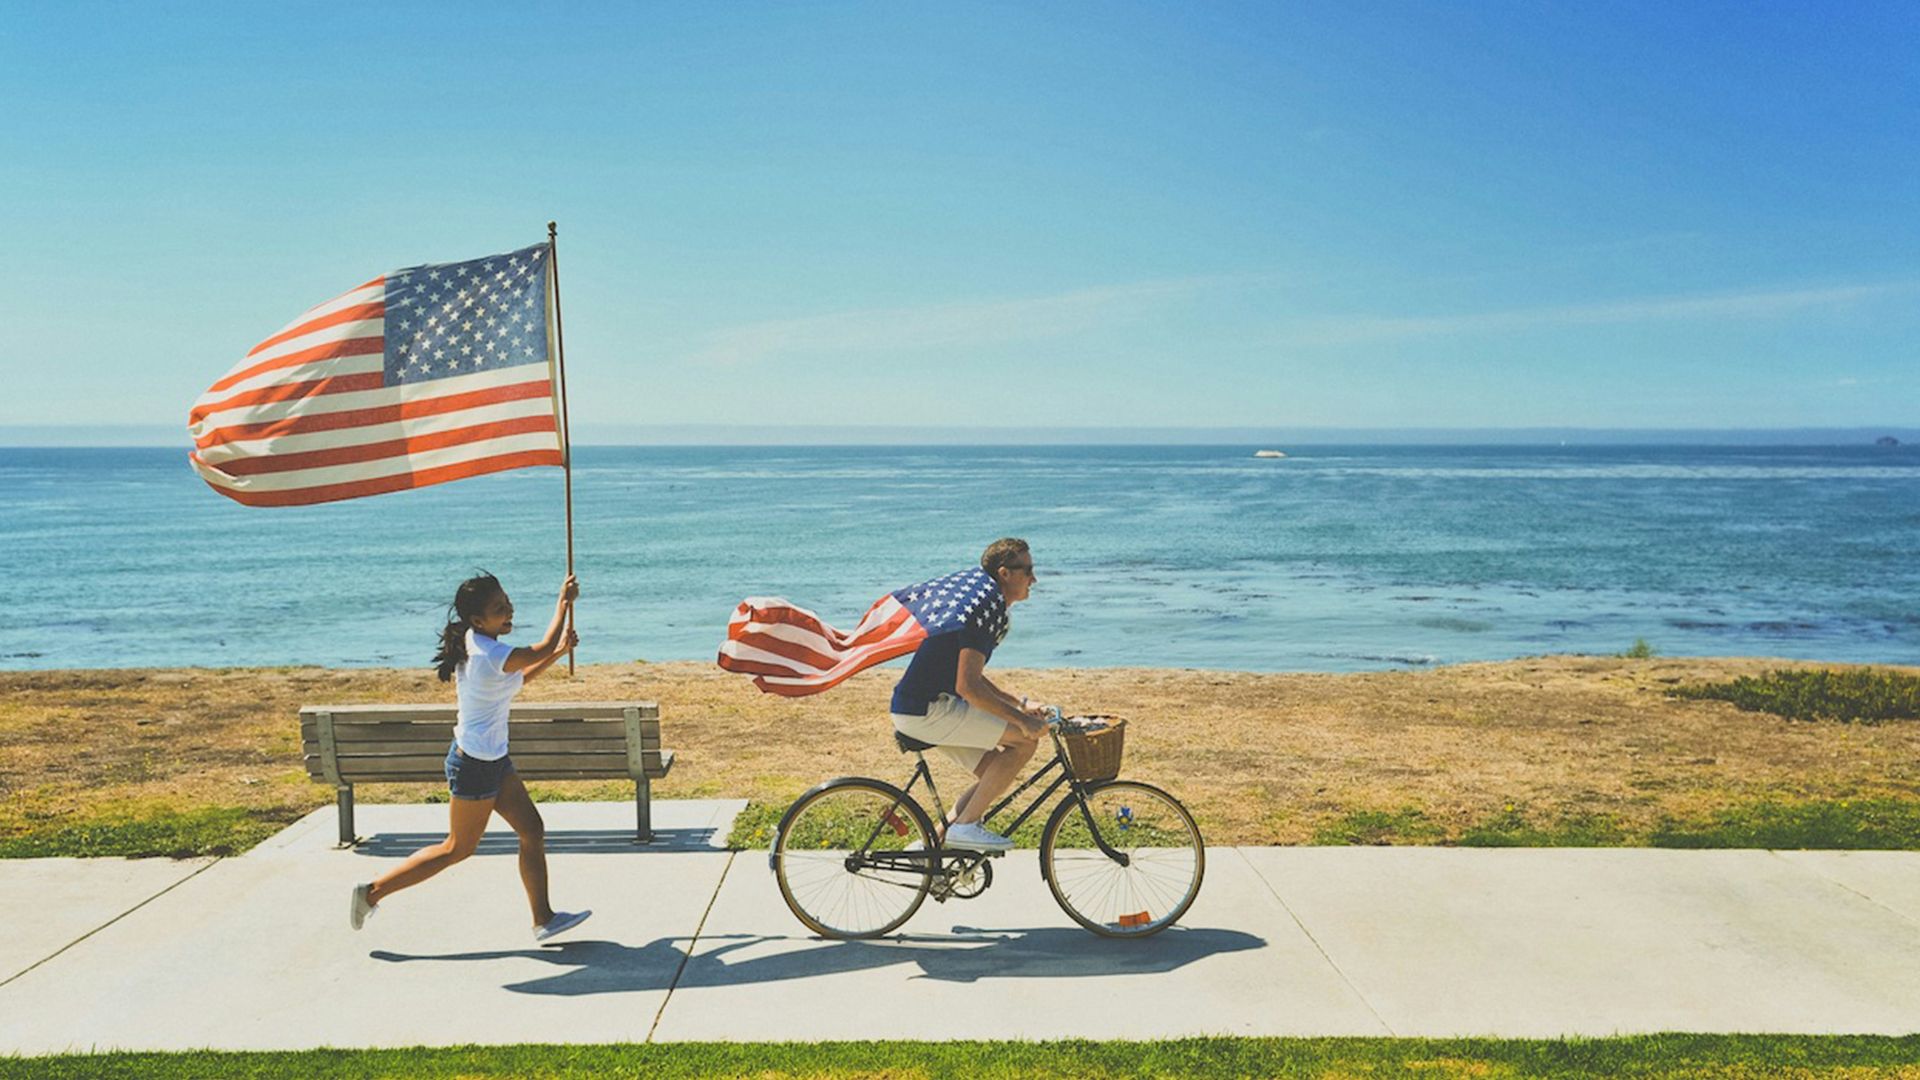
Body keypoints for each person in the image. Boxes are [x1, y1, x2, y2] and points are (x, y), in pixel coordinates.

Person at [349, 571, 590, 941]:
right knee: (456, 849)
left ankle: (543, 919)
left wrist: (558, 653)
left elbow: (520, 678)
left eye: (507, 602)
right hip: (474, 765)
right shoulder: (488, 652)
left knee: (532, 830)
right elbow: (537, 649)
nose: (508, 610)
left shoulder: (478, 641)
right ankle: (371, 892)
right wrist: (562, 604)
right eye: (499, 609)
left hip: (494, 759)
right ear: (478, 620)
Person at [889, 538, 1052, 852]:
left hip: (922, 707)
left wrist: (1020, 704)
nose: (1034, 578)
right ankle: (964, 828)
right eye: (1028, 570)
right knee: (1024, 742)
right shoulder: (983, 610)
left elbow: (972, 679)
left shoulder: (984, 604)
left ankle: (929, 849)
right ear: (1005, 573)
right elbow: (969, 689)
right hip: (927, 710)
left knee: (994, 773)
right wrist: (1022, 721)